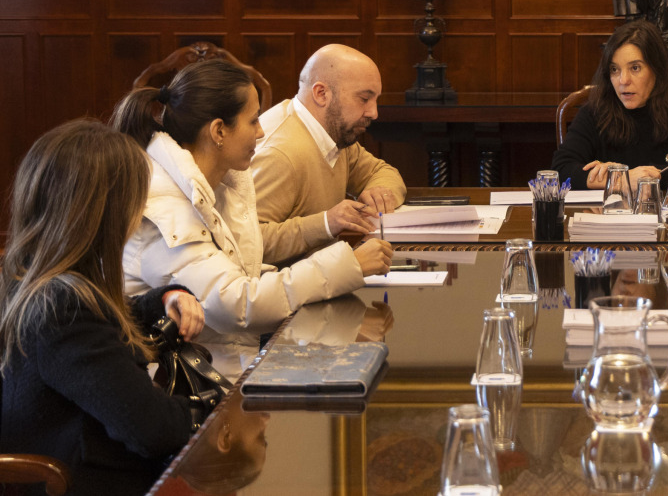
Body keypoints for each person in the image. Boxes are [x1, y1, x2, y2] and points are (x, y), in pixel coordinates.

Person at [114, 59, 392, 339]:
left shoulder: (218, 182)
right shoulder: (164, 207)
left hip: (228, 357)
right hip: (192, 374)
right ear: (219, 131)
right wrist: (347, 265)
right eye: (254, 120)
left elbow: (240, 275)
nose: (261, 133)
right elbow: (237, 304)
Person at [0, 120, 206, 496]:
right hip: (77, 480)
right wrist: (204, 410)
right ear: (108, 213)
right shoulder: (60, 308)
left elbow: (110, 316)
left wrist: (164, 297)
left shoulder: (27, 278)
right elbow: (153, 430)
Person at [252, 44, 407, 261]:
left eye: (375, 100)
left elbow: (382, 171)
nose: (374, 112)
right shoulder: (279, 154)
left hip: (324, 279)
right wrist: (326, 223)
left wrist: (380, 193)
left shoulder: (333, 133)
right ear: (321, 93)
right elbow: (248, 244)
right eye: (364, 99)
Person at [551, 20, 668, 190]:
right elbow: (560, 172)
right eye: (614, 69)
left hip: (664, 215)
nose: (623, 80)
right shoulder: (594, 112)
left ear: (657, 70)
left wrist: (637, 179)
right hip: (605, 215)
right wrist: (620, 179)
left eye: (635, 68)